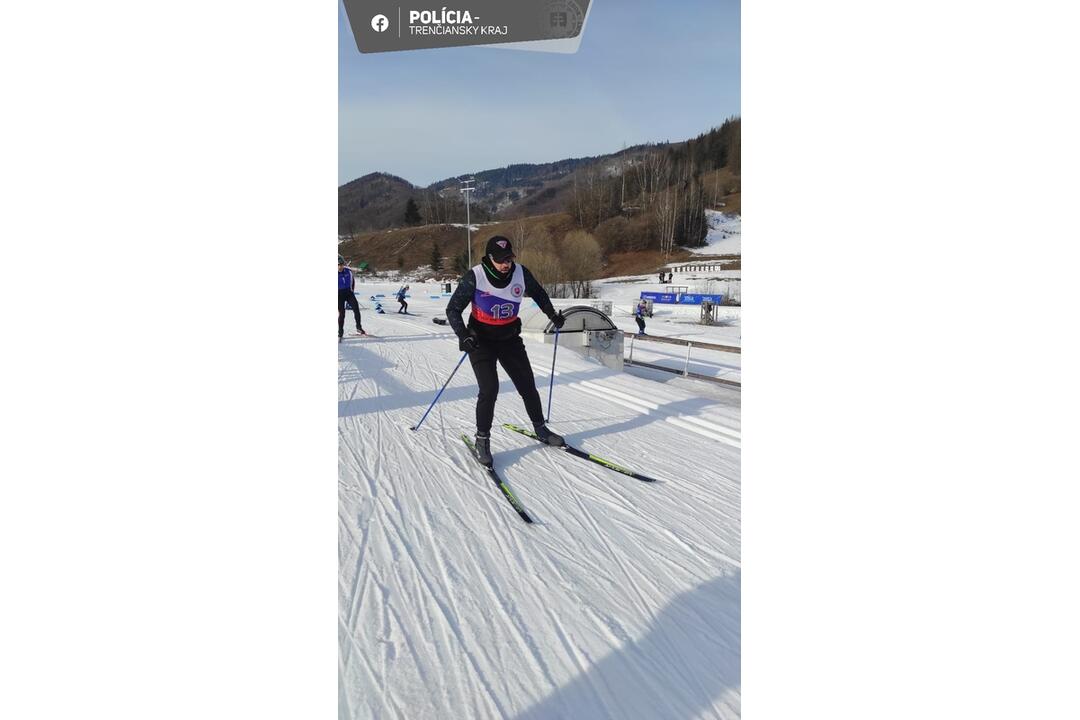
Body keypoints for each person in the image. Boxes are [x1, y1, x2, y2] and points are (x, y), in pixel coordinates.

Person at [446, 235, 566, 465]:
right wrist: (463, 335)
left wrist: (552, 314)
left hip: (509, 338)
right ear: (490, 258)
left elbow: (539, 293)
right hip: (481, 341)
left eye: (509, 259)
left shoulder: (520, 273)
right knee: (490, 388)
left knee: (527, 385)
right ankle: (482, 439)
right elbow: (453, 309)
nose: (506, 264)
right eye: (501, 260)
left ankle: (540, 428)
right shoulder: (476, 276)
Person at [338, 256, 365, 341]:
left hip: (349, 293)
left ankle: (359, 327)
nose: (340, 267)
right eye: (338, 265)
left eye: (341, 265)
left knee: (356, 309)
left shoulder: (348, 271)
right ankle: (340, 332)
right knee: (342, 314)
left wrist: (352, 290)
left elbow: (352, 280)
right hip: (339, 295)